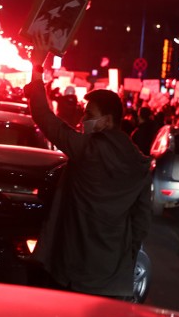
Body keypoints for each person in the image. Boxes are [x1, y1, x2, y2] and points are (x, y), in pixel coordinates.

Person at [24, 47, 151, 299]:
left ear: (107, 120)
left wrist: (37, 67)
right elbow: (141, 222)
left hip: (73, 268)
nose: (82, 119)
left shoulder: (87, 149)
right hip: (111, 275)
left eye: (89, 114)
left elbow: (43, 116)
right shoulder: (140, 163)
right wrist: (127, 255)